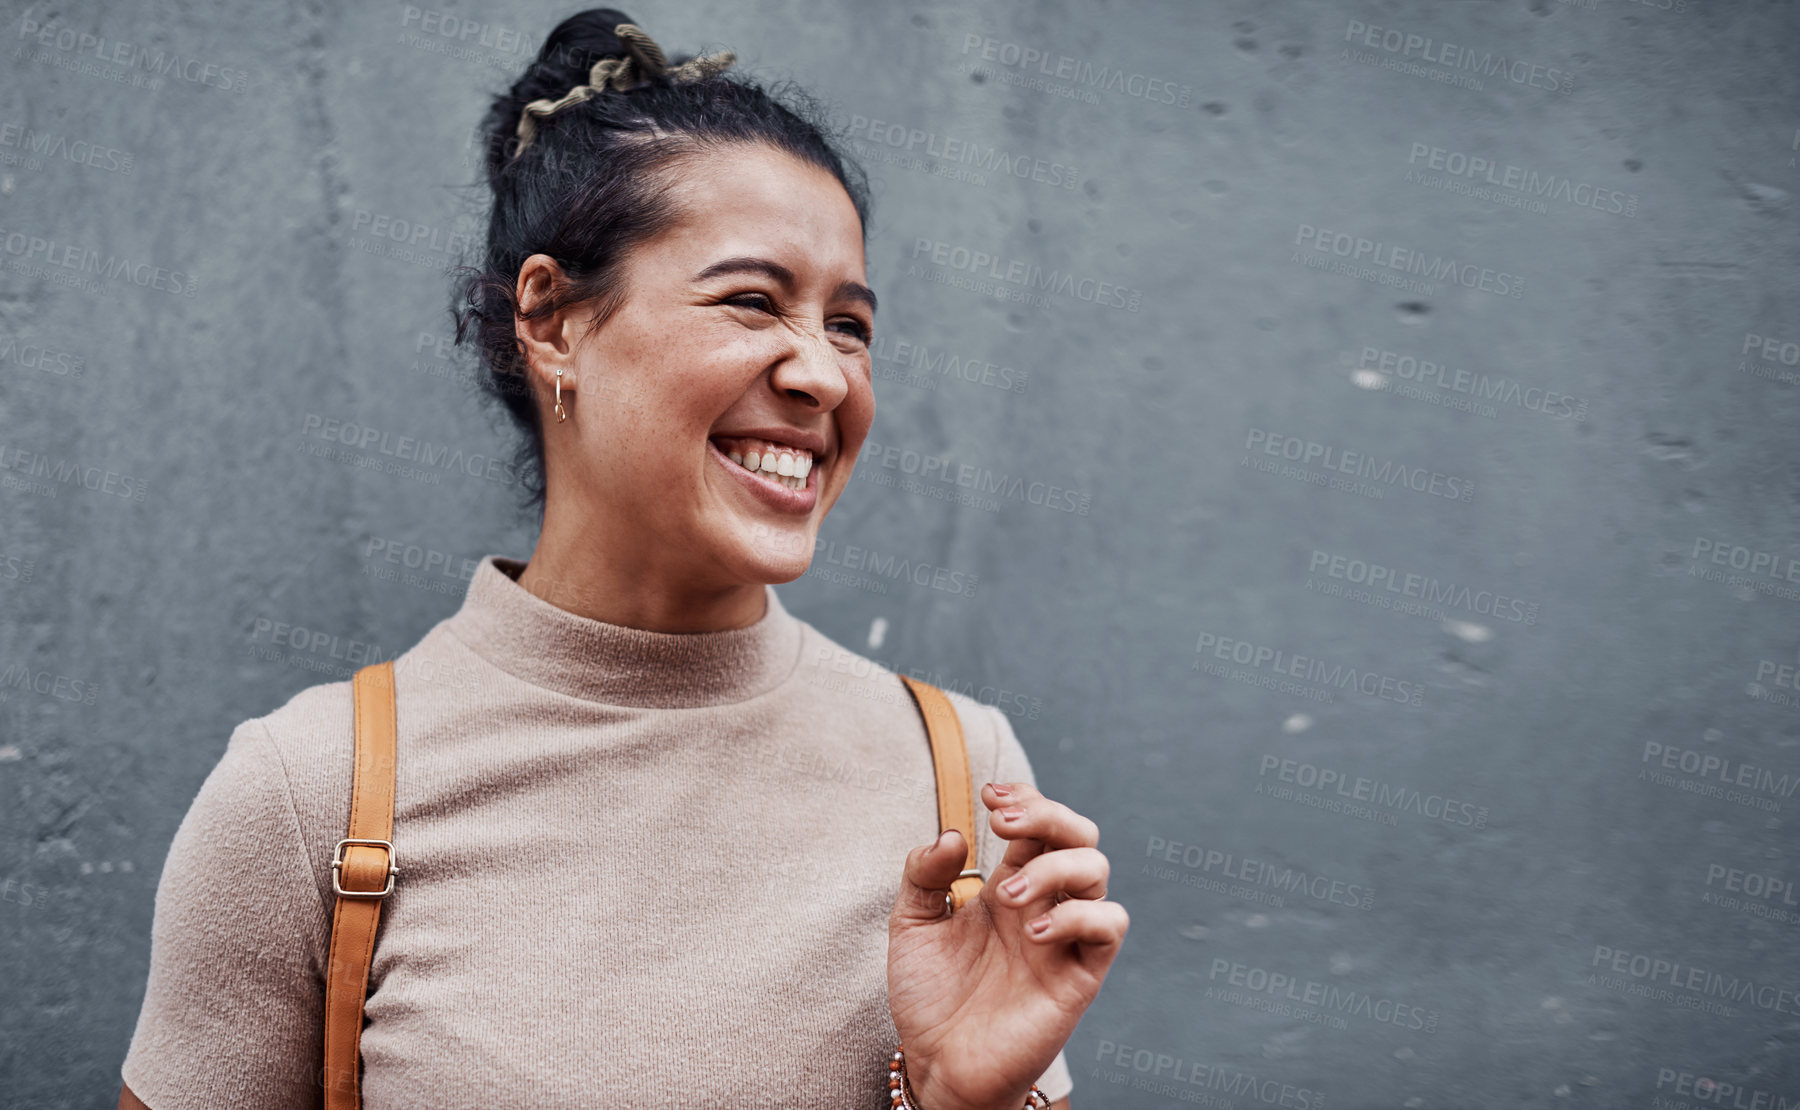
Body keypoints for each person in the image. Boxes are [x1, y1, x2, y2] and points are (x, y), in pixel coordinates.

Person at [118, 10, 1126, 1108]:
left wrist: (962, 1099)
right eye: (753, 301)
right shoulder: (311, 794)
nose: (826, 377)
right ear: (552, 321)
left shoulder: (960, 775)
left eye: (850, 325)